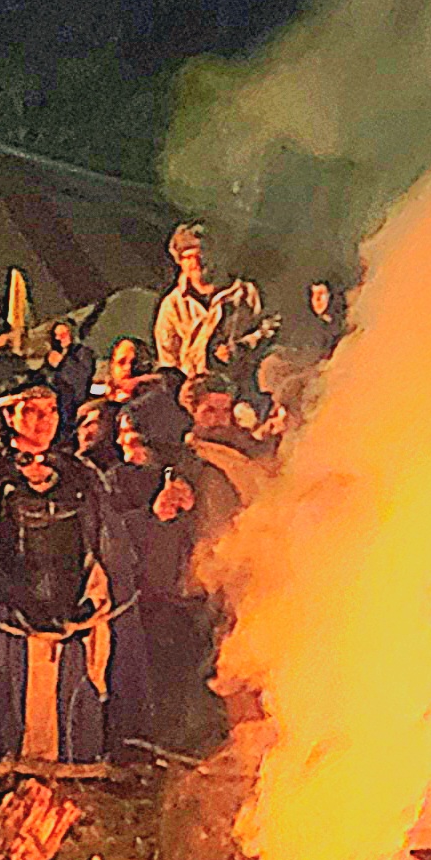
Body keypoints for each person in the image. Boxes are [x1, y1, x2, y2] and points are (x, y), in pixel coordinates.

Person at [0, 377, 115, 765]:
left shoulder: (78, 473)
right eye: (31, 411)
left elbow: (102, 541)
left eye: (50, 411)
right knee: (8, 712)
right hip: (3, 618)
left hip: (69, 615)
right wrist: (1, 599)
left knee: (65, 715)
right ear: (8, 415)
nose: (43, 421)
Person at [101, 390, 239, 754]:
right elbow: (109, 536)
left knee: (190, 686)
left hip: (189, 604)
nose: (120, 442)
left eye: (129, 435)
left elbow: (222, 537)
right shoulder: (119, 481)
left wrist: (185, 514)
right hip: (142, 603)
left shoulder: (205, 477)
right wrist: (152, 518)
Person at [153, 223, 263, 381]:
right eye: (188, 257)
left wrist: (240, 348)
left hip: (241, 384)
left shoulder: (245, 293)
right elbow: (168, 360)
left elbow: (269, 327)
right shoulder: (173, 305)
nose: (195, 263)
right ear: (180, 262)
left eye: (200, 255)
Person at [43, 317, 92, 424]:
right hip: (58, 405)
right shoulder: (54, 353)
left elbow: (81, 377)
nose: (59, 338)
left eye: (63, 334)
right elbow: (49, 380)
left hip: (74, 405)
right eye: (56, 335)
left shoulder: (82, 352)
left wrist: (63, 362)